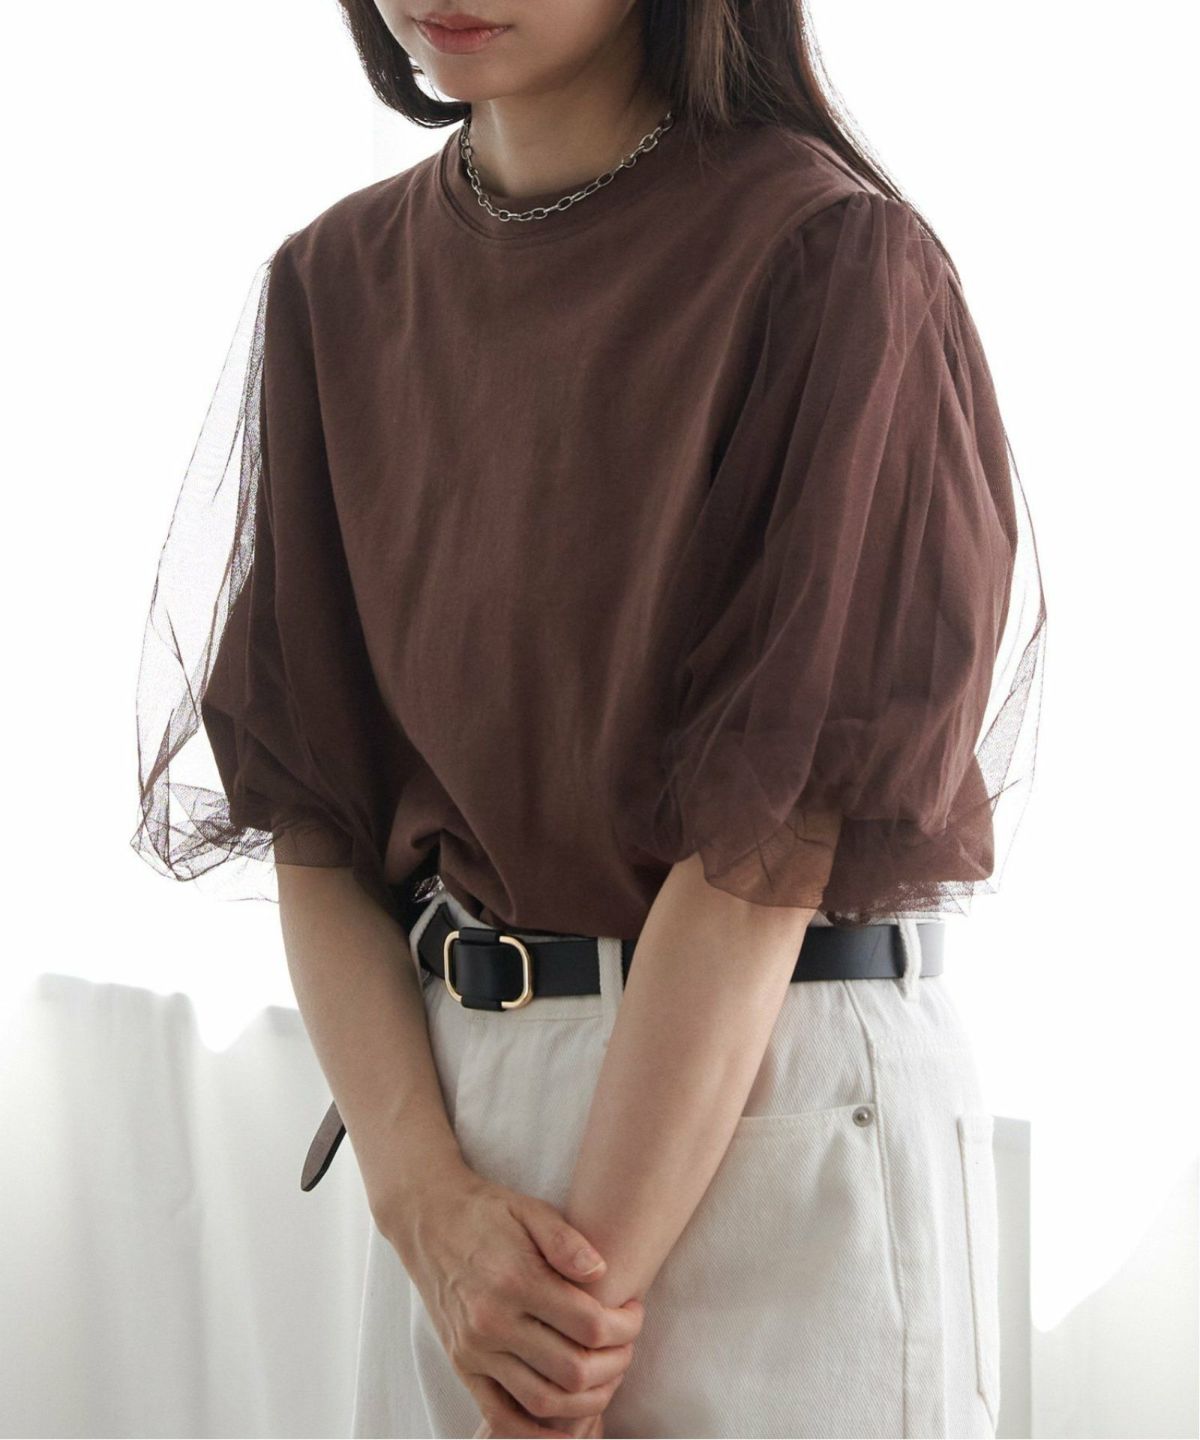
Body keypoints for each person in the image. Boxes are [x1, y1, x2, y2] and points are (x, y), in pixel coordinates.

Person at [131, 0, 1048, 1435]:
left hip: (758, 1109)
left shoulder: (829, 262)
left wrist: (559, 1357)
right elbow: (317, 825)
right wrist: (427, 1208)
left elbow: (761, 862)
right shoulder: (334, 284)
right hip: (458, 1143)